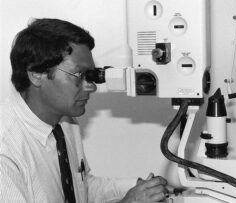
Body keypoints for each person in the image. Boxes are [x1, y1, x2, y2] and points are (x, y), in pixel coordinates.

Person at [0, 18, 170, 203]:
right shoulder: (6, 149)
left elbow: (81, 188)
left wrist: (138, 187)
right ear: (37, 74)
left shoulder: (64, 123)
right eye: (79, 75)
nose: (91, 87)